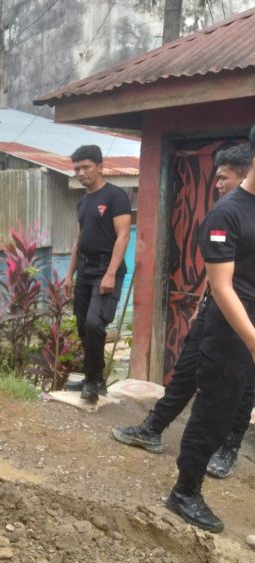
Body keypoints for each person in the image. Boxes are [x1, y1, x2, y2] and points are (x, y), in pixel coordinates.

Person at [111, 144, 253, 480]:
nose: (217, 184)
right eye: (216, 178)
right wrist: (203, 302)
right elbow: (222, 276)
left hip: (243, 314)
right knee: (187, 366)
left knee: (243, 383)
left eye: (223, 178)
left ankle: (229, 447)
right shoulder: (228, 212)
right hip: (218, 309)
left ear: (244, 170)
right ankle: (153, 427)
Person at [163, 128, 255, 534]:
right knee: (214, 411)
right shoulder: (227, 213)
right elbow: (221, 287)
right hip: (231, 329)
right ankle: (185, 491)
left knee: (238, 405)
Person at [62, 145, 132, 403]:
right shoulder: (83, 201)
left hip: (106, 269)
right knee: (83, 326)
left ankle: (93, 381)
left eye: (86, 167)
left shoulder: (116, 196)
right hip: (86, 269)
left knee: (95, 322)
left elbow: (123, 236)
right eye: (77, 168)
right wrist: (69, 275)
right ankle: (94, 378)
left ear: (100, 167)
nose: (81, 173)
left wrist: (111, 273)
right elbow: (78, 241)